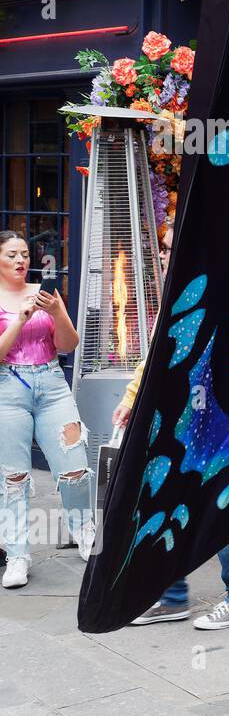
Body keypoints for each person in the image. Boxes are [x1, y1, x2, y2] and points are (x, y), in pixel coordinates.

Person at [120, 230, 229, 630]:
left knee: (215, 501)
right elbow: (157, 354)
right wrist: (133, 397)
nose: (167, 256)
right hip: (176, 412)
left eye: (172, 249)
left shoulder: (220, 288)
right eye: (164, 249)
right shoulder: (176, 292)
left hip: (211, 416)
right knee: (167, 497)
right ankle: (172, 596)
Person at [0, 231, 92, 589]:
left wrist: (57, 312)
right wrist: (21, 320)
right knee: (14, 477)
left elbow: (68, 343)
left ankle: (84, 529)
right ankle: (18, 554)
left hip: (52, 384)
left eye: (24, 254)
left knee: (75, 466)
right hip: (9, 388)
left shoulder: (44, 293)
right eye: (11, 255)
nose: (21, 260)